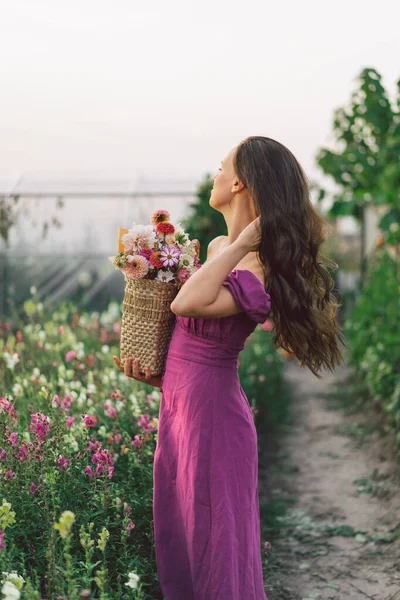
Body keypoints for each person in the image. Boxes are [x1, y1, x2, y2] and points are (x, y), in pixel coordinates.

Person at [113, 135, 346, 599]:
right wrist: (159, 376)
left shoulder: (253, 266)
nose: (215, 175)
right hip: (184, 411)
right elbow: (193, 342)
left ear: (239, 184)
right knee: (185, 539)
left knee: (216, 546)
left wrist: (242, 243)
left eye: (221, 167)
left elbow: (187, 303)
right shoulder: (219, 246)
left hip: (215, 423)